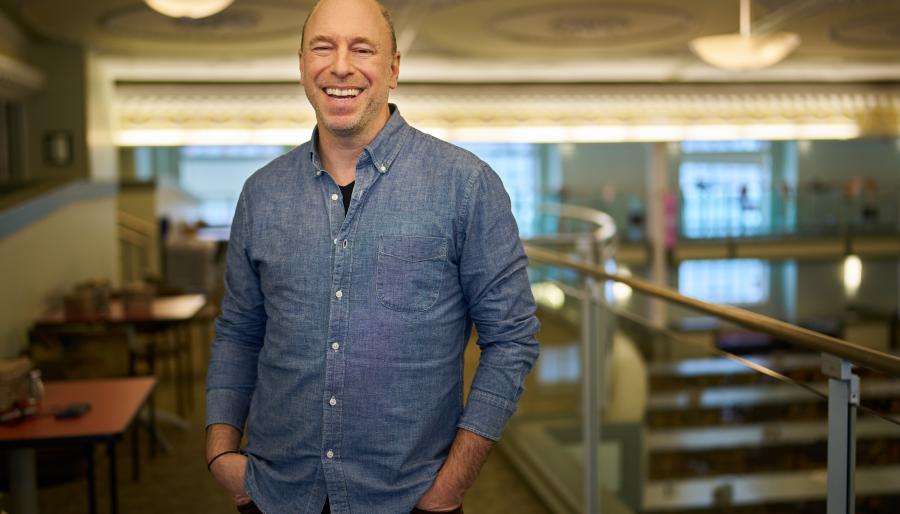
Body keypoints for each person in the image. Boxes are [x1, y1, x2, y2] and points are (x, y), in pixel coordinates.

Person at [204, 0, 540, 512]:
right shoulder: (260, 194)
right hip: (275, 494)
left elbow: (511, 339)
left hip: (409, 499)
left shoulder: (466, 185)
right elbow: (239, 332)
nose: (340, 66)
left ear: (393, 69)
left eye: (362, 49)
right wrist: (220, 452)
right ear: (302, 65)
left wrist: (451, 484)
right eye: (323, 48)